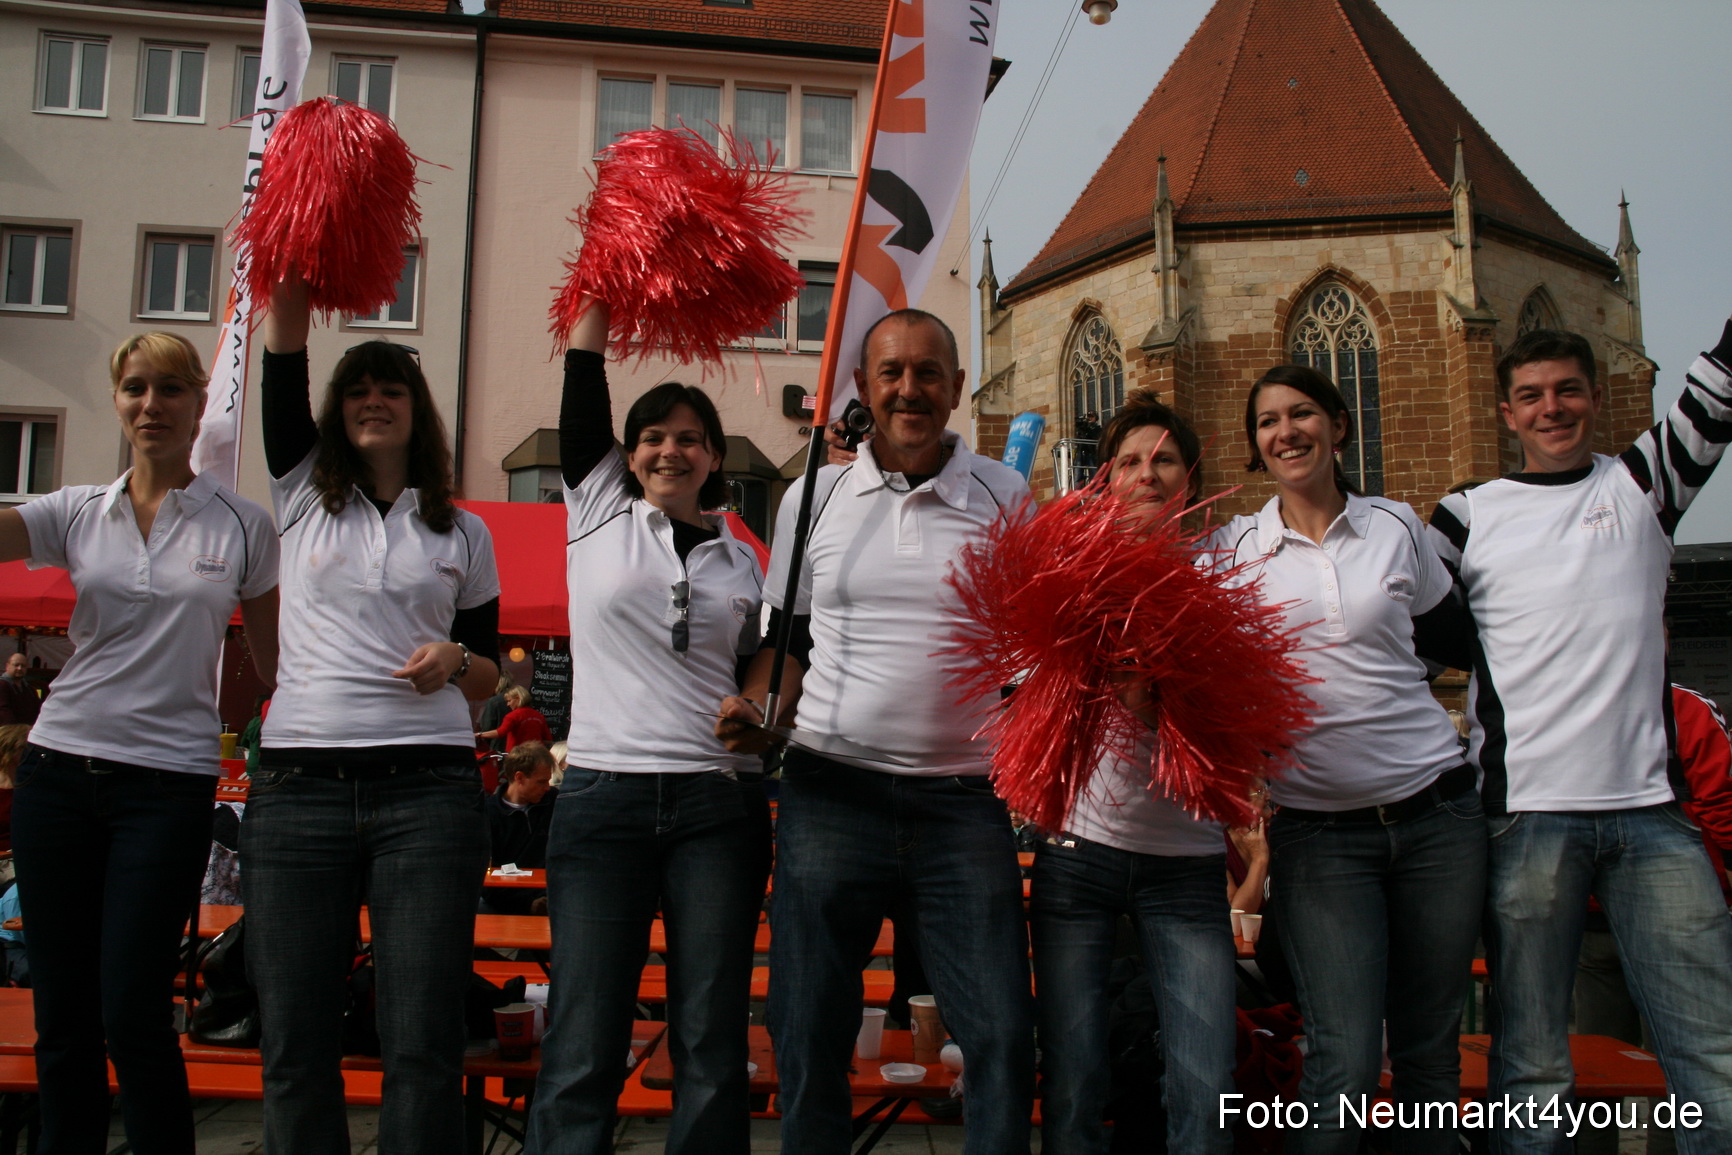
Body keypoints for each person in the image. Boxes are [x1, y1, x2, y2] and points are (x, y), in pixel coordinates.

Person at [717, 308, 1035, 1154]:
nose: (909, 389)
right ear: (863, 387)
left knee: (1001, 1035)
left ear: (958, 388)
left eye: (929, 372)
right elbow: (788, 645)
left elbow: (1029, 654)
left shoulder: (1008, 495)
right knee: (806, 1031)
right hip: (831, 792)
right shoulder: (811, 497)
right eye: (891, 372)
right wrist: (761, 710)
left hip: (962, 801)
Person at [1425, 324, 1732, 1154]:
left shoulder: (1642, 486)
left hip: (1654, 815)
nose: (1550, 407)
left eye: (1566, 390)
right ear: (1506, 412)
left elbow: (1716, 395)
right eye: (1531, 395)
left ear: (1595, 399)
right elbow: (1406, 632)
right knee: (1532, 1064)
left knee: (1714, 1054)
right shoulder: (1464, 514)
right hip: (1527, 819)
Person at [0, 331, 280, 1154]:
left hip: (168, 784)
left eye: (168, 390)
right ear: (118, 402)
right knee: (65, 1012)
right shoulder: (77, 508)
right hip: (57, 770)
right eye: (134, 389)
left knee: (132, 1007)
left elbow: (275, 665)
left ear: (199, 404)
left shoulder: (241, 524)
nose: (150, 405)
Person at [246, 274, 502, 1155]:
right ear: (334, 413)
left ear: (415, 409)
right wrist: (288, 269)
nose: (373, 402)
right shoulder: (301, 493)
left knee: (423, 1039)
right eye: (356, 391)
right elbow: (282, 360)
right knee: (295, 1038)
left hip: (427, 794)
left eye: (390, 389)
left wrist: (458, 660)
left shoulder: (464, 533)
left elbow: (494, 672)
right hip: (298, 786)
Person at [1215, 364, 1485, 1155]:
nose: (1286, 431)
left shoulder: (1396, 525)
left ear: (1337, 425)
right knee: (1345, 1057)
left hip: (1438, 814)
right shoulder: (1235, 550)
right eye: (1268, 421)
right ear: (1256, 446)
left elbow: (1452, 644)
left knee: (1432, 1053)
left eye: (1302, 413)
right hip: (1320, 834)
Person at [524, 299, 770, 1155]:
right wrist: (599, 289)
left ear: (712, 458)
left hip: (716, 807)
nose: (672, 448)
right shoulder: (594, 509)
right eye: (654, 437)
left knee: (709, 1035)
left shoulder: (744, 556)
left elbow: (761, 672)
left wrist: (759, 712)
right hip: (601, 798)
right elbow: (582, 380)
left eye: (690, 437)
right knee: (585, 1030)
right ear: (628, 456)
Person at [1027, 394, 1240, 1155]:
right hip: (1080, 854)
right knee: (1076, 1081)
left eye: (1165, 459)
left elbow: (1247, 725)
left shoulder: (1230, 568)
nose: (1147, 473)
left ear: (1190, 478)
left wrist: (1167, 703)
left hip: (1185, 865)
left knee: (1206, 1084)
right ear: (1105, 480)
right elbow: (1022, 690)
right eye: (1128, 461)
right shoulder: (1069, 570)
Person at [483, 741, 557, 916]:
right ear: (519, 777)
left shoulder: (555, 801)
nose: (547, 787)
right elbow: (484, 877)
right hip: (505, 898)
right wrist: (527, 903)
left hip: (550, 894)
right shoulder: (488, 814)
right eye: (541, 782)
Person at [477, 684, 551, 752]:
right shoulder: (538, 715)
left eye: (509, 701)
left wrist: (479, 735)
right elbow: (548, 739)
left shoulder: (512, 716)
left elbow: (500, 732)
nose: (508, 704)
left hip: (517, 755)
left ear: (518, 699)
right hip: (536, 754)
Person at [0, 652, 39, 726]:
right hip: (8, 733)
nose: (20, 668)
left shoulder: (30, 690)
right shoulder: (2, 685)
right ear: (7, 666)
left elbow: (37, 709)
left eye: (23, 666)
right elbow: (3, 711)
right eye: (16, 665)